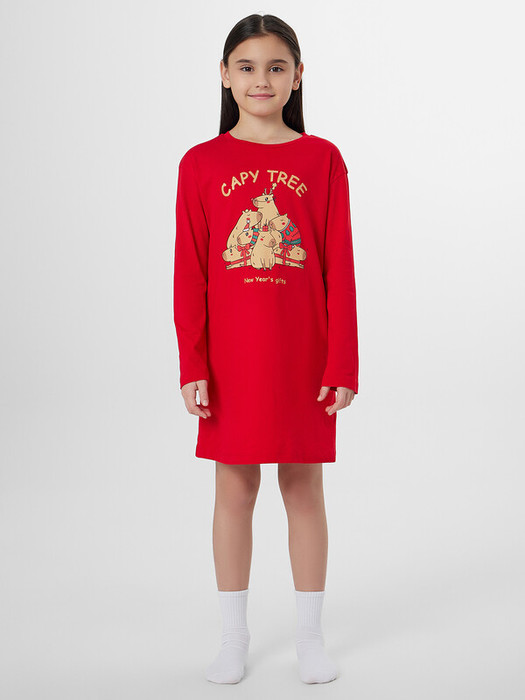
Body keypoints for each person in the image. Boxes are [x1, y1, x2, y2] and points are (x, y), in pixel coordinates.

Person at [173, 13, 359, 685]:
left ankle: (309, 637)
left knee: (303, 487)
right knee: (234, 486)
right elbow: (190, 272)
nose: (261, 80)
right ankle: (233, 637)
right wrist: (193, 363)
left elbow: (338, 267)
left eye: (276, 67)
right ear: (224, 76)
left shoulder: (322, 160)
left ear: (297, 76)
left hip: (304, 356)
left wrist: (342, 363)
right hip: (231, 361)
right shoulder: (200, 163)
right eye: (246, 67)